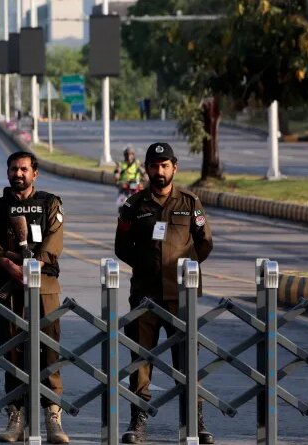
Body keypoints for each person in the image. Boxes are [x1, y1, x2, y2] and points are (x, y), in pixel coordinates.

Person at [114, 142, 214, 444]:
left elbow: (204, 242)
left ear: (174, 167)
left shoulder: (190, 202)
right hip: (145, 295)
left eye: (165, 166)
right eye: (154, 166)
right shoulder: (134, 206)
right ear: (147, 168)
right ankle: (138, 423)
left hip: (181, 295)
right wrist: (148, 267)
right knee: (141, 360)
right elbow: (122, 247)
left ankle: (193, 424)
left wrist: (180, 269)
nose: (160, 171)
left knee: (187, 361)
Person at [0, 152, 69, 444]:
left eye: (24, 169)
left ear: (35, 173)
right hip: (10, 288)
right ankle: (16, 415)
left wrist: (35, 266)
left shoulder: (49, 203)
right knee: (12, 350)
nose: (18, 174)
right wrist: (11, 266)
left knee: (49, 350)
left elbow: (54, 240)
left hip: (44, 288)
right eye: (13, 169)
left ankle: (53, 415)